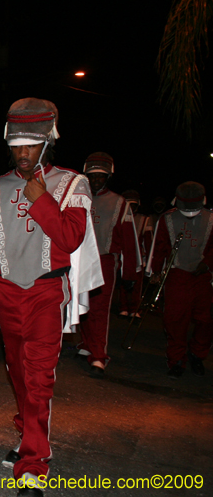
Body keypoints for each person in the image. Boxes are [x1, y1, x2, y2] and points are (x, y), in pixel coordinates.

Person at [0, 98, 102, 496]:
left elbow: (71, 238)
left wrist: (40, 198)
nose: (22, 153)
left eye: (30, 145)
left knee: (38, 377)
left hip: (46, 292)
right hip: (6, 292)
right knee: (16, 372)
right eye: (16, 145)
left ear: (47, 143)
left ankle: (34, 462)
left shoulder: (73, 184)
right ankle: (26, 434)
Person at [76, 153, 139, 376]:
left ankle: (99, 356)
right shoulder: (77, 197)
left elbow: (129, 241)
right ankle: (86, 344)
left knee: (99, 309)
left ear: (108, 177)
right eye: (92, 176)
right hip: (79, 260)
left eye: (101, 177)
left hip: (104, 260)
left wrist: (130, 273)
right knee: (81, 306)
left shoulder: (119, 202)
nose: (96, 181)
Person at [146, 181, 213, 378]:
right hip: (177, 274)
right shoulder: (167, 219)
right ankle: (176, 359)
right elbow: (159, 247)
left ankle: (197, 353)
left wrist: (208, 263)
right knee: (175, 319)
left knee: (206, 320)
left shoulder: (211, 219)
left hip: (203, 276)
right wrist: (156, 272)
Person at [118, 189, 150, 319]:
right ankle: (123, 307)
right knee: (123, 284)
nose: (132, 208)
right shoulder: (119, 217)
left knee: (137, 285)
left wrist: (148, 260)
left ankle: (135, 308)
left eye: (134, 205)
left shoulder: (144, 220)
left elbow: (148, 242)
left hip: (138, 258)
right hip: (123, 257)